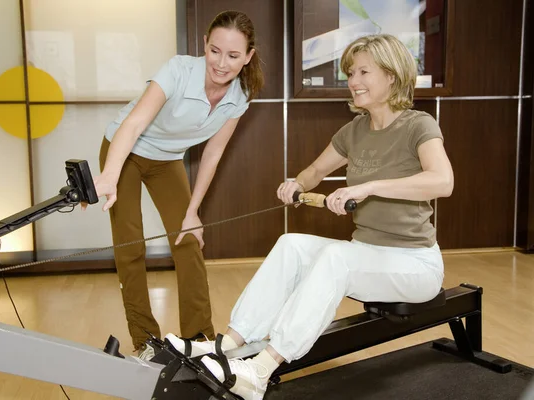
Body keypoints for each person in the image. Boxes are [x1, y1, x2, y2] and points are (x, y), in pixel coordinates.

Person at [165, 33, 454, 400]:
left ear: (392, 76)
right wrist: (295, 183)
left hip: (415, 265)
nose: (353, 81)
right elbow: (314, 172)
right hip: (367, 253)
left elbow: (442, 182)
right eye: (350, 72)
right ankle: (229, 344)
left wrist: (367, 187)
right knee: (292, 245)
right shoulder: (355, 131)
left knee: (337, 258)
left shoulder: (418, 125)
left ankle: (262, 369)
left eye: (363, 71)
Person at [90, 10, 264, 360]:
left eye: (233, 55)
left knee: (188, 240)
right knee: (131, 245)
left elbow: (213, 153)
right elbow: (136, 122)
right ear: (204, 44)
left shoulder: (241, 93)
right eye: (214, 50)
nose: (221, 62)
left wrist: (193, 211)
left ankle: (201, 339)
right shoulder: (178, 71)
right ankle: (145, 342)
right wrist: (110, 173)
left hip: (166, 160)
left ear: (248, 56)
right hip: (124, 150)